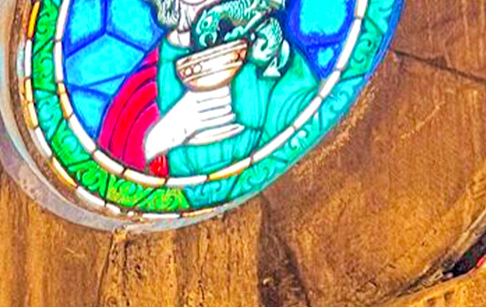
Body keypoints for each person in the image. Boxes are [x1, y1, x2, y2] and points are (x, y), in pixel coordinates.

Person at [98, 0, 320, 203]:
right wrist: (160, 138)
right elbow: (117, 180)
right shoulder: (145, 82)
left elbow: (301, 117)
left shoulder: (267, 53)